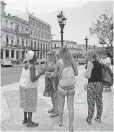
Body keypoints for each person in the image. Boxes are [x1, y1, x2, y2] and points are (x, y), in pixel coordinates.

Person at [49, 46, 78, 131]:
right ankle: (70, 126)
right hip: (71, 88)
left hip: (62, 87)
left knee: (61, 106)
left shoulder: (58, 62)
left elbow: (55, 75)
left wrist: (50, 75)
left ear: (61, 53)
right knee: (70, 107)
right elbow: (76, 73)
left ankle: (61, 122)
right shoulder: (72, 61)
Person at [19, 50, 44, 127]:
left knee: (25, 103)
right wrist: (40, 73)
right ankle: (29, 122)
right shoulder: (32, 66)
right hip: (30, 88)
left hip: (23, 86)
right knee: (30, 104)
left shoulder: (26, 64)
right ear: (32, 57)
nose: (36, 57)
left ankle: (25, 119)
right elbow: (33, 79)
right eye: (35, 56)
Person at [84, 51, 103, 125]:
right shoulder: (100, 64)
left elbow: (87, 75)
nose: (87, 57)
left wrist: (85, 73)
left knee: (91, 101)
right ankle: (98, 117)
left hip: (92, 84)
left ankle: (89, 118)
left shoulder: (90, 64)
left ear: (90, 56)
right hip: (100, 84)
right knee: (99, 101)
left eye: (87, 56)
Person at [43, 50, 58, 117]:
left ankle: (56, 111)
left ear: (53, 55)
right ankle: (54, 108)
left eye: (50, 54)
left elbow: (57, 72)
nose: (49, 55)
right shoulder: (47, 62)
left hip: (54, 81)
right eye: (48, 54)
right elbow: (43, 70)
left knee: (55, 96)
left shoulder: (56, 62)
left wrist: (48, 73)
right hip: (48, 81)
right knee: (52, 95)